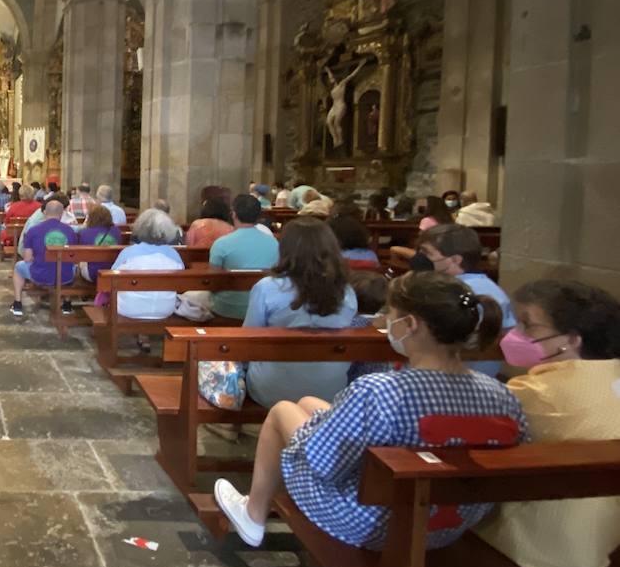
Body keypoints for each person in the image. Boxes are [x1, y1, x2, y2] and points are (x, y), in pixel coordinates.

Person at [214, 271, 526, 549]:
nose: (386, 320)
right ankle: (261, 502)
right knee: (309, 404)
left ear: (411, 325)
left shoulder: (380, 391)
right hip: (451, 522)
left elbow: (325, 464)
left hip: (374, 522)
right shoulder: (501, 396)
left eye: (391, 313)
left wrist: (306, 433)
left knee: (283, 411)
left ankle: (253, 513)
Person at [475, 280, 620, 567]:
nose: (516, 335)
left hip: (561, 539)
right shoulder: (611, 373)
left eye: (528, 327)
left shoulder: (537, 393)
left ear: (571, 339)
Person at [243, 217, 357, 405]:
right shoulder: (346, 291)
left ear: (284, 248)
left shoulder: (267, 287)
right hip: (330, 389)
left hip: (273, 390)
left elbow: (248, 340)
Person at [411, 223, 514, 374]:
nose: (420, 258)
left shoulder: (450, 292)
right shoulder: (492, 288)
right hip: (484, 375)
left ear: (455, 260)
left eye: (427, 253)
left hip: (450, 374)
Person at [104, 208, 186, 323]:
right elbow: (180, 284)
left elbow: (110, 280)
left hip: (129, 308)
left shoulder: (129, 253)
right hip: (165, 309)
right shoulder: (174, 255)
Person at [209, 194, 280, 319]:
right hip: (265, 307)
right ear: (258, 216)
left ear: (233, 214)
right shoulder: (274, 243)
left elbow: (213, 281)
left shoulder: (221, 244)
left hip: (227, 307)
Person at [10, 199, 78, 317]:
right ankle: (67, 305)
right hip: (65, 276)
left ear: (45, 212)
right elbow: (73, 257)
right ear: (61, 214)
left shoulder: (33, 230)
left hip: (40, 275)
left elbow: (27, 258)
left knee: (18, 267)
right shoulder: (70, 231)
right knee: (73, 267)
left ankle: (17, 304)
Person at [76, 205, 121, 284]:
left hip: (92, 274)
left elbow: (81, 255)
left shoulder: (85, 233)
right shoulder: (116, 231)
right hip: (112, 271)